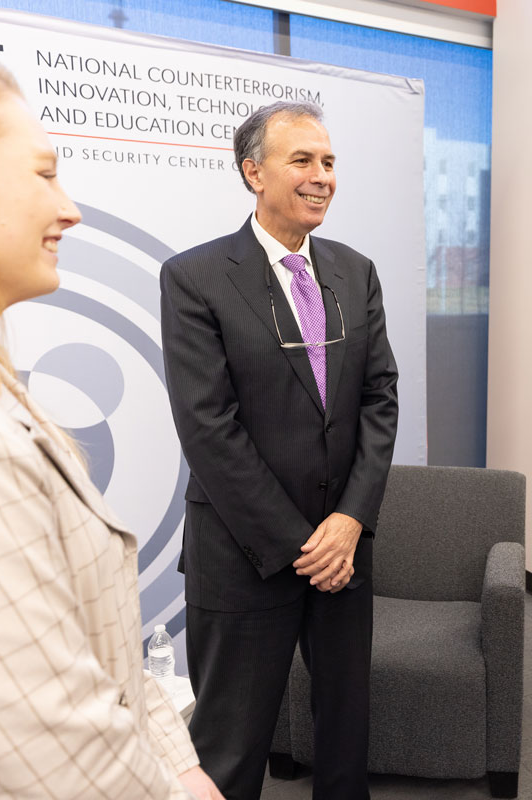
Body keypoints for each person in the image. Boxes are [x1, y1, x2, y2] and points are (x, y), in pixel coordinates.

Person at [0, 34, 222, 799]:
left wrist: (183, 764)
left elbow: (98, 655)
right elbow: (66, 759)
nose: (69, 207)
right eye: (43, 174)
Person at [160, 101, 398, 800]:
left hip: (345, 548)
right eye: (303, 161)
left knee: (345, 737)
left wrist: (350, 520)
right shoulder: (195, 277)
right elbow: (209, 428)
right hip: (244, 555)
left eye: (328, 162)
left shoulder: (356, 272)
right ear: (253, 173)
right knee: (230, 753)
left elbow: (379, 399)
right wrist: (304, 545)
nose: (322, 176)